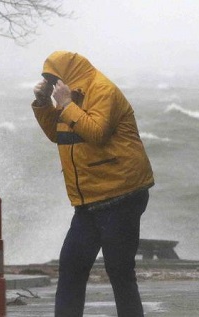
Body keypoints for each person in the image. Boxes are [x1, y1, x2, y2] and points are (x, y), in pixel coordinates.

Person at [31, 51, 154, 317]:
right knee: (72, 267)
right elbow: (58, 133)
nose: (54, 86)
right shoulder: (69, 98)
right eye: (49, 82)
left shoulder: (102, 89)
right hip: (88, 202)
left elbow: (97, 133)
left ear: (69, 74)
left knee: (119, 270)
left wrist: (65, 105)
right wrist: (44, 105)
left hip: (122, 193)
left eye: (55, 79)